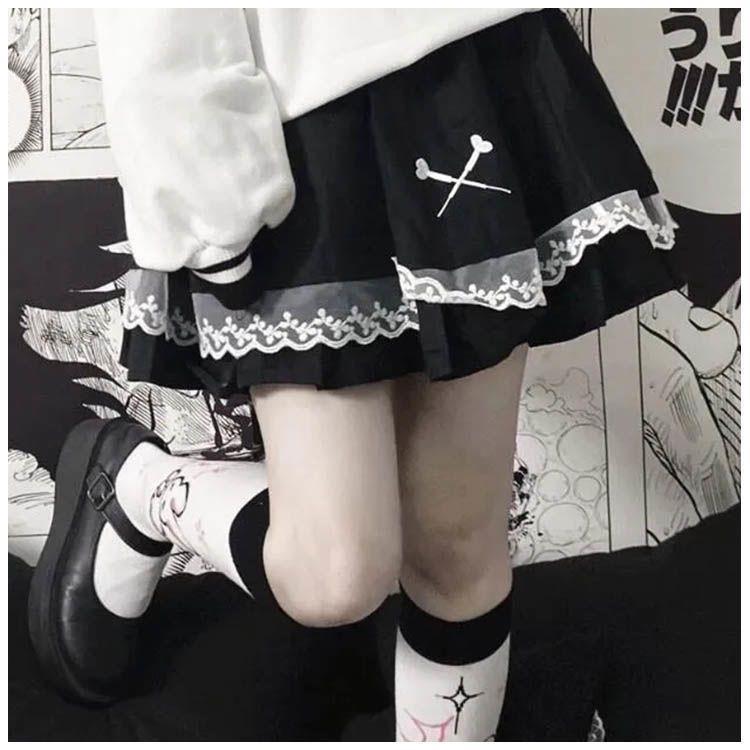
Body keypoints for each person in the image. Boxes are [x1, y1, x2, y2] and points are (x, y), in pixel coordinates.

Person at [27, 9, 683, 741]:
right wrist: (204, 174)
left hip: (474, 64)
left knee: (458, 544)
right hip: (296, 115)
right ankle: (138, 483)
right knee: (333, 576)